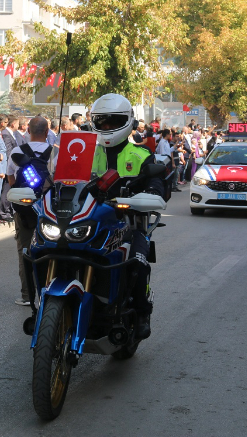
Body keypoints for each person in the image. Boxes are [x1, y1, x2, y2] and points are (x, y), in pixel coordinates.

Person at [89, 94, 165, 339]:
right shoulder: (84, 152)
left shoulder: (142, 156)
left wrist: (152, 192)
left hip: (130, 225)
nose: (108, 127)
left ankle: (142, 311)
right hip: (90, 224)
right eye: (102, 122)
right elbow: (60, 179)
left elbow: (158, 185)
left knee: (137, 262)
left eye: (114, 121)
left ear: (129, 122)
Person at [7, 116, 52, 306]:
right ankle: (49, 294)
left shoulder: (17, 152)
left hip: (24, 209)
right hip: (49, 212)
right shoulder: (54, 153)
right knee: (50, 252)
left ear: (28, 131)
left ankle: (27, 295)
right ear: (47, 132)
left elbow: (10, 179)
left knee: (25, 250)